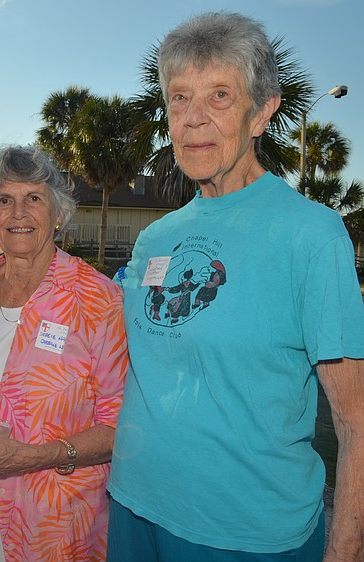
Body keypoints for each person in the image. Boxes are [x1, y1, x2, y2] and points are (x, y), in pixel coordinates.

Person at [106, 12, 364, 562]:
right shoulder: (155, 237)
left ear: (262, 112)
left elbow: (355, 419)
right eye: (179, 98)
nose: (193, 119)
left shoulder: (312, 235)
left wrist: (346, 547)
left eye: (219, 96)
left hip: (247, 533)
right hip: (134, 505)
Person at [0, 145, 129, 561]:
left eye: (33, 197)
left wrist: (33, 456)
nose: (18, 213)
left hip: (52, 525)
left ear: (57, 212)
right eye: (3, 200)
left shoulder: (100, 300)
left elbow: (120, 424)